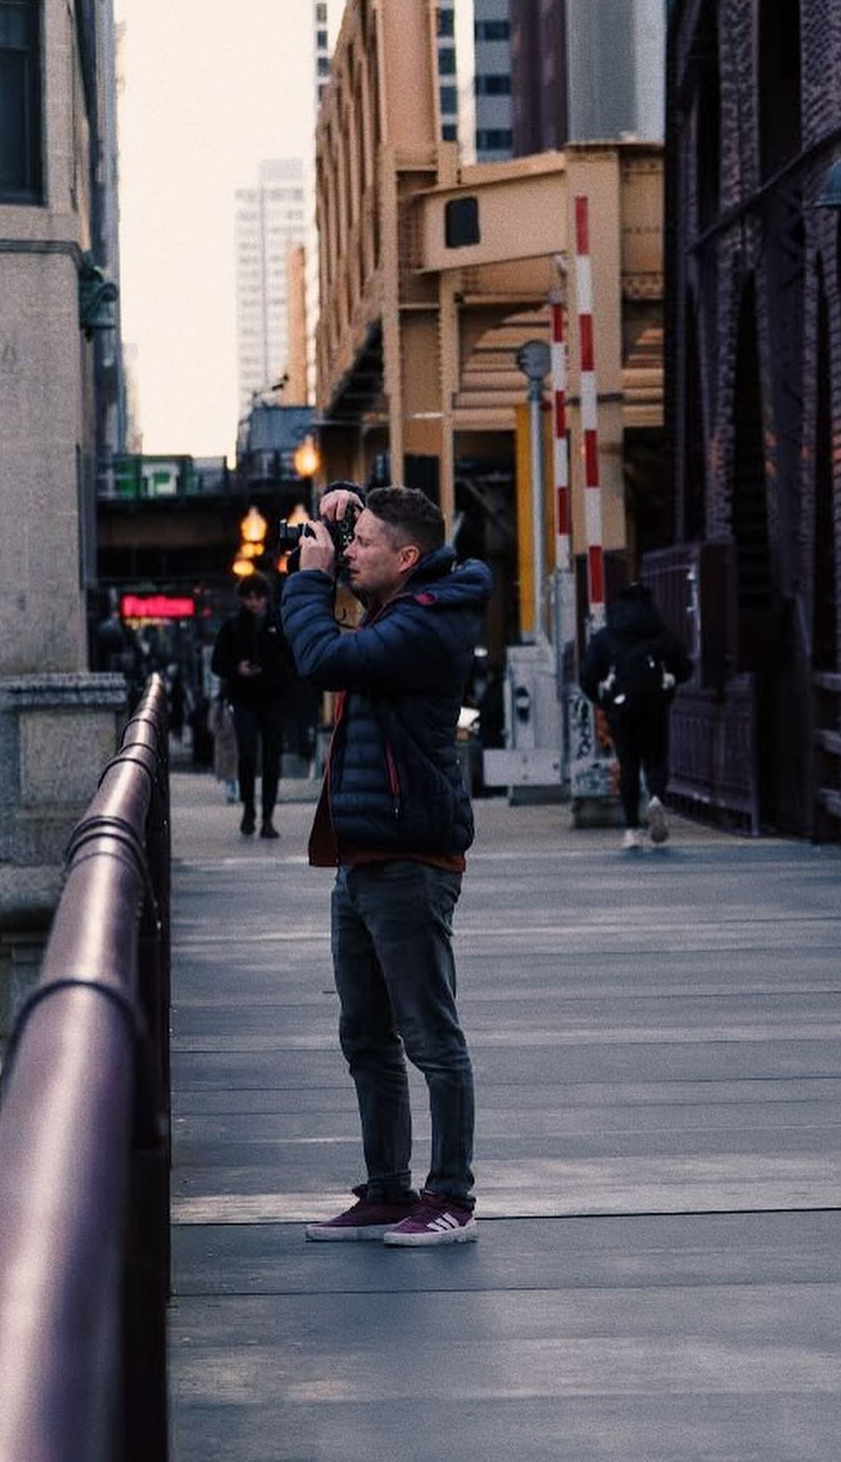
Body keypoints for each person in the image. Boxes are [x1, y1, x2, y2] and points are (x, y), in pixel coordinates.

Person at [282, 484, 492, 1247]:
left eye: (362, 542)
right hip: (364, 852)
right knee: (365, 1035)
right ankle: (385, 1190)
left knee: (430, 1034)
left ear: (405, 559)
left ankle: (452, 1197)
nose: (347, 553)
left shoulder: (427, 622)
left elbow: (323, 658)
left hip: (409, 855)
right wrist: (349, 503)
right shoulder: (401, 602)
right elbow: (381, 561)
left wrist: (306, 582)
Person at [580, 580, 693, 850]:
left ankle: (631, 830)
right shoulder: (661, 634)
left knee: (628, 765)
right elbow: (686, 668)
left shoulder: (607, 636)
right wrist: (670, 681)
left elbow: (587, 676)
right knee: (656, 759)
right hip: (655, 705)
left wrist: (603, 700)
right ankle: (656, 798)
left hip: (621, 709)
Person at [210, 572, 292, 837]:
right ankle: (249, 809)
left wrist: (272, 672)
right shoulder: (233, 626)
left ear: (266, 597)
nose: (254, 602)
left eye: (258, 597)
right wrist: (237, 669)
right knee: (246, 754)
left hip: (272, 698)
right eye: (248, 597)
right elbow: (217, 663)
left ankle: (267, 817)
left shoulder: (279, 624)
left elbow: (290, 660)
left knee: (271, 758)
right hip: (244, 697)